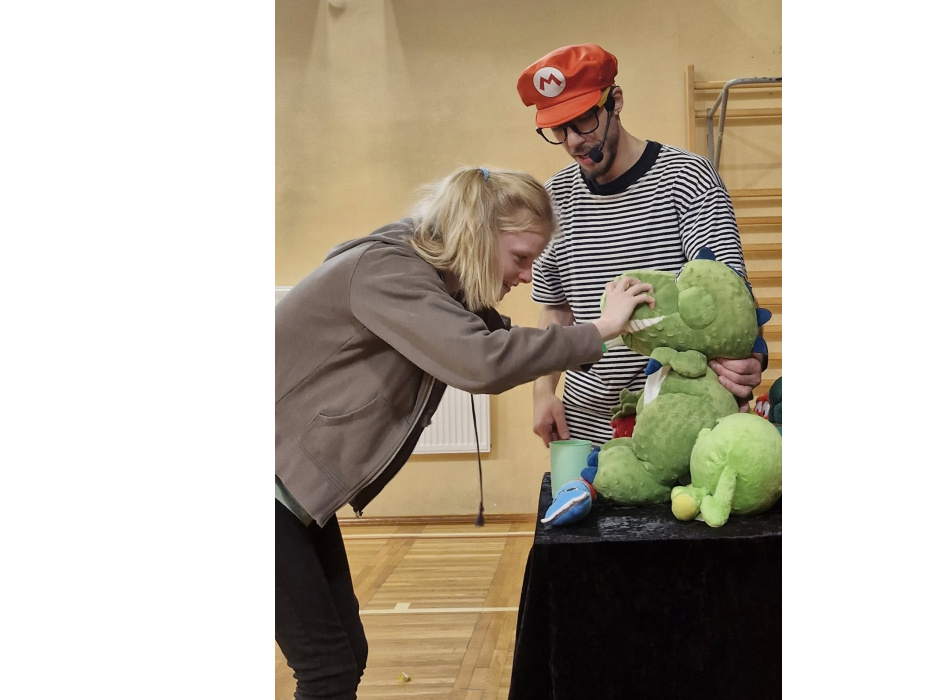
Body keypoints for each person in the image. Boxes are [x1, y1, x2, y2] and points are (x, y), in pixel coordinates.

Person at [275, 165, 655, 700]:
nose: (527, 276)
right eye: (520, 258)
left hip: (290, 493)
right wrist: (600, 329)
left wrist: (609, 334)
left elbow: (502, 334)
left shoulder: (434, 281)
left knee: (345, 657)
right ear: (478, 236)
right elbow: (481, 360)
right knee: (326, 669)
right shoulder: (388, 270)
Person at [516, 43, 766, 446]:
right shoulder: (553, 200)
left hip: (679, 419)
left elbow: (728, 295)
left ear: (615, 101)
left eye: (583, 122)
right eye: (558, 130)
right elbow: (556, 307)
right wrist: (543, 391)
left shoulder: (687, 178)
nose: (573, 141)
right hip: (585, 423)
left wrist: (753, 357)